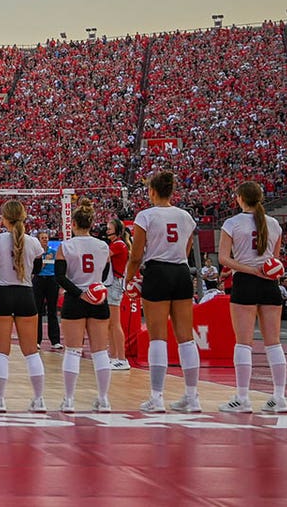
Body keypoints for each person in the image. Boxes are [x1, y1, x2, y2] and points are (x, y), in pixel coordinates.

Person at [125, 171, 200, 413]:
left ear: (152, 191)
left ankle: (156, 398)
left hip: (157, 272)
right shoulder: (185, 216)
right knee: (186, 337)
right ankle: (192, 397)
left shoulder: (145, 216)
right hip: (180, 272)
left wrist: (129, 279)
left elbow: (136, 255)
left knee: (158, 337)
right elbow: (186, 248)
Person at [217, 181, 287, 414]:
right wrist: (262, 270)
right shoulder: (274, 223)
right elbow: (274, 261)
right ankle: (279, 397)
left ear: (239, 197)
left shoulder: (232, 223)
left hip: (246, 282)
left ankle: (242, 397)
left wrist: (245, 269)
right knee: (274, 342)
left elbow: (223, 258)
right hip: (270, 284)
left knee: (243, 342)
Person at [0, 200, 47, 413]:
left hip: (2, 294)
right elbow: (39, 268)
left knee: (1, 352)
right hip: (25, 294)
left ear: (5, 218)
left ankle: (0, 400)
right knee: (31, 352)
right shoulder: (34, 242)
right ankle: (39, 400)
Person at [54, 198, 113, 413]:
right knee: (100, 352)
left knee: (72, 351)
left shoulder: (66, 246)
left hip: (75, 299)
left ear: (74, 224)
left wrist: (80, 292)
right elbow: (105, 274)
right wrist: (93, 288)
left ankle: (69, 400)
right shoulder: (103, 246)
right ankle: (104, 399)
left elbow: (59, 277)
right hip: (98, 299)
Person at [106, 218, 132, 370]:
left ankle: (122, 358)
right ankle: (114, 356)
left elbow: (103, 258)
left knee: (115, 323)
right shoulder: (116, 244)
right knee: (111, 324)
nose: (107, 230)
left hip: (114, 284)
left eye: (109, 228)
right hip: (112, 283)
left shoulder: (118, 245)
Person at [32, 231, 62, 350]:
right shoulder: (36, 253)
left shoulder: (53, 253)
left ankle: (55, 340)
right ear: (38, 240)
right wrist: (44, 261)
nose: (45, 240)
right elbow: (35, 270)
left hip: (51, 280)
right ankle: (36, 340)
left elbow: (58, 268)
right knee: (37, 311)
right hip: (39, 280)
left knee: (52, 310)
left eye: (46, 238)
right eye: (42, 238)